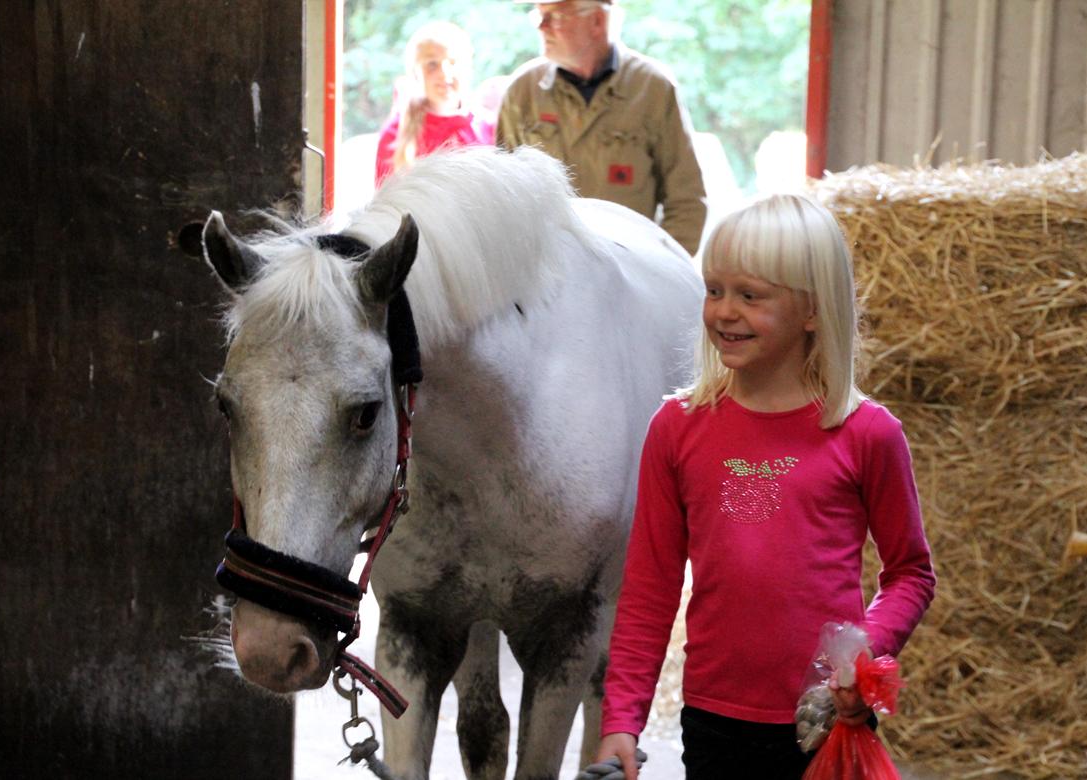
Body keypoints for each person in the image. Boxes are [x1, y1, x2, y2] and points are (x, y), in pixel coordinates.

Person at [594, 194, 937, 779]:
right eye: (714, 289)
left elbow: (910, 573)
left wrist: (864, 656)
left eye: (750, 295)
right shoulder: (676, 429)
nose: (724, 312)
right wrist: (622, 720)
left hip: (826, 720)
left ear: (811, 309)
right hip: (713, 721)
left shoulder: (866, 434)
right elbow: (649, 588)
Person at [497, 0, 707, 256]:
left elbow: (686, 202)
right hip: (547, 277)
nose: (542, 27)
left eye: (555, 16)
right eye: (539, 15)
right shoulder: (523, 91)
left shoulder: (652, 88)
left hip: (630, 275)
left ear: (597, 21)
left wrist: (658, 273)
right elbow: (503, 199)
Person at [375, 21, 494, 185]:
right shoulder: (396, 135)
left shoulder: (487, 127)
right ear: (415, 72)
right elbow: (386, 207)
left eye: (453, 62)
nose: (444, 74)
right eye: (432, 64)